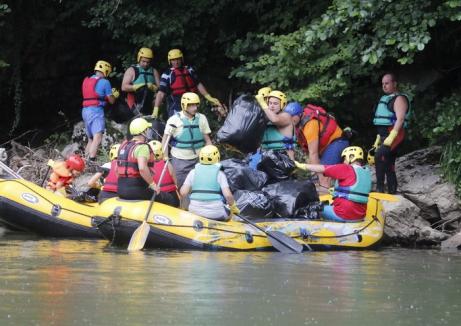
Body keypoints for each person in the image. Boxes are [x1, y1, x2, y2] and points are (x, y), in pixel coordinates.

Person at [295, 146, 372, 222]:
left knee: (311, 208)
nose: (344, 162)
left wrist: (303, 166)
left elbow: (323, 168)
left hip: (343, 214)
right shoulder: (366, 172)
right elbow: (355, 188)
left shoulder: (346, 168)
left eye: (344, 159)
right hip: (360, 215)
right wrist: (337, 192)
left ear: (351, 157)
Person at [292, 103, 349, 191]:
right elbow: (308, 152)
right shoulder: (298, 124)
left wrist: (319, 176)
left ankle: (325, 201)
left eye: (292, 116)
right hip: (326, 148)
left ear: (300, 114)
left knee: (324, 177)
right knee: (316, 178)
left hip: (337, 142)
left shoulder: (310, 125)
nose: (290, 119)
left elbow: (313, 153)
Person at [162, 92, 212, 190]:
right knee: (180, 188)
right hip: (179, 159)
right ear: (184, 105)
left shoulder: (202, 118)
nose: (195, 108)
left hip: (198, 159)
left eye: (196, 104)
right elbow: (165, 140)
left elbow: (208, 140)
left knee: (199, 187)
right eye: (191, 105)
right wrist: (165, 158)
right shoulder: (174, 120)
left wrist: (208, 156)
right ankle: (181, 204)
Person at [153, 48, 221, 118]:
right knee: (177, 126)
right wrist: (156, 109)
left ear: (181, 59)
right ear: (170, 61)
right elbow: (161, 93)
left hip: (191, 103)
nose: (176, 62)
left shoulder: (189, 70)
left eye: (178, 59)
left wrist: (208, 97)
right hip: (175, 105)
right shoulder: (167, 74)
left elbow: (198, 84)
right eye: (173, 60)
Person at [372, 73, 410, 194]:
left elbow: (400, 119)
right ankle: (392, 190)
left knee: (379, 156)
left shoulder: (399, 99)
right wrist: (379, 138)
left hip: (395, 134)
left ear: (394, 83)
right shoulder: (386, 99)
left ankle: (379, 189)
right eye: (383, 84)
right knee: (388, 161)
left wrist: (392, 136)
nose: (384, 86)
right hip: (384, 134)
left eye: (387, 83)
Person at [180, 145, 240, 221]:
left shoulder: (193, 172)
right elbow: (228, 196)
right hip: (216, 213)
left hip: (194, 211)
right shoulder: (220, 174)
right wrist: (233, 207)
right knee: (230, 214)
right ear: (217, 157)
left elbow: (183, 193)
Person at [81, 60, 119, 161]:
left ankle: (84, 161)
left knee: (91, 139)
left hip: (85, 111)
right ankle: (91, 161)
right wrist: (114, 95)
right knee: (97, 137)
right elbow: (111, 101)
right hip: (96, 111)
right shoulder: (105, 82)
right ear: (106, 71)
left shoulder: (86, 81)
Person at [117, 118, 160, 200]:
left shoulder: (123, 146)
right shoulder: (142, 147)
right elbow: (142, 168)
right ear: (143, 132)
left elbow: (117, 169)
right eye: (147, 130)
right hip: (137, 189)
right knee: (168, 198)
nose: (149, 132)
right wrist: (153, 184)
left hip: (121, 188)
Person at [255, 90, 297, 160]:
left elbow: (275, 119)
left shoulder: (286, 116)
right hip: (267, 157)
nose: (272, 106)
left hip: (284, 159)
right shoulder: (266, 117)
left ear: (282, 105)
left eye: (275, 103)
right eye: (270, 103)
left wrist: (263, 104)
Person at [121, 47, 160, 116]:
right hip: (134, 101)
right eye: (143, 61)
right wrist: (136, 87)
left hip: (149, 102)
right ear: (139, 59)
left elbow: (160, 90)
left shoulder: (154, 71)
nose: (145, 64)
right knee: (143, 89)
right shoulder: (131, 70)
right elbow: (123, 87)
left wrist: (155, 88)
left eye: (148, 62)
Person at [148, 140, 180, 207]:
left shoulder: (147, 167)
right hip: (171, 194)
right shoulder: (166, 163)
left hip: (158, 195)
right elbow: (174, 178)